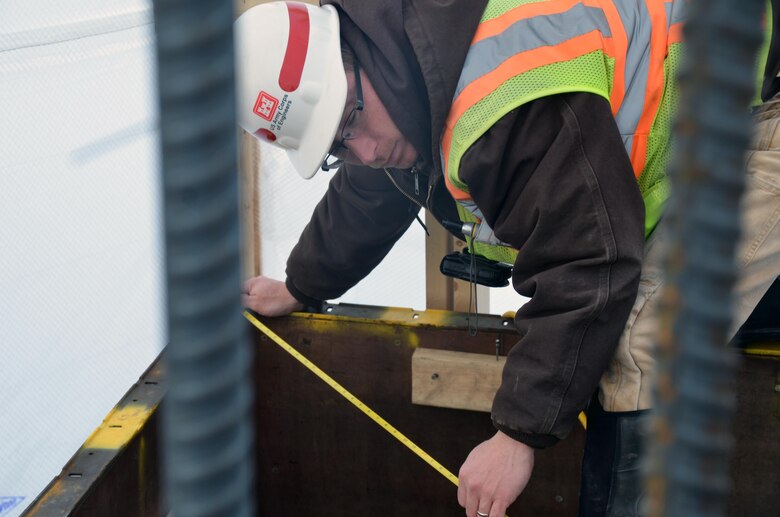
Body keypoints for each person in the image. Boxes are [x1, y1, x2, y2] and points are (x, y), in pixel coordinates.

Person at [235, 1, 780, 516]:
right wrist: (303, 284)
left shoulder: (502, 94)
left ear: (356, 53)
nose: (367, 151)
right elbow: (374, 187)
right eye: (338, 144)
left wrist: (518, 436)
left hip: (754, 115)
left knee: (642, 343)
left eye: (350, 119)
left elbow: (592, 261)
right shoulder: (403, 71)